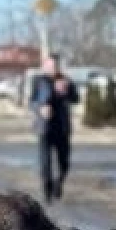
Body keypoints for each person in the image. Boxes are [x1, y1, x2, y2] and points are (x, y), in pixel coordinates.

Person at [30, 54, 80, 202]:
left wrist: (67, 91)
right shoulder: (38, 81)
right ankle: (47, 190)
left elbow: (76, 99)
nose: (53, 69)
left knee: (64, 162)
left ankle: (59, 183)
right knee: (45, 163)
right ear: (45, 66)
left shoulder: (66, 80)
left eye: (55, 66)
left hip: (62, 128)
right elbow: (32, 101)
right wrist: (41, 108)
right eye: (50, 66)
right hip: (45, 127)